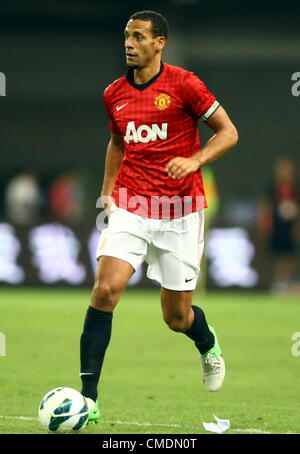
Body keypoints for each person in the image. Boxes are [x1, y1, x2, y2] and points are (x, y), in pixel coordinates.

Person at [79, 10, 238, 423]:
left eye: (138, 37)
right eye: (126, 37)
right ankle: (88, 398)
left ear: (159, 43)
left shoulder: (185, 85)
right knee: (105, 291)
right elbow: (117, 142)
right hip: (131, 206)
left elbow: (228, 132)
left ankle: (207, 344)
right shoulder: (113, 93)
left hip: (180, 212)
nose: (129, 44)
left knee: (176, 316)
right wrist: (107, 190)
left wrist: (195, 158)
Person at [257, 157, 300, 292]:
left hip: (290, 227)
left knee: (289, 255)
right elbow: (266, 206)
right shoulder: (272, 188)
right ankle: (275, 281)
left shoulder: (296, 188)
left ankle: (283, 281)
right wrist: (264, 224)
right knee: (273, 253)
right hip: (275, 227)